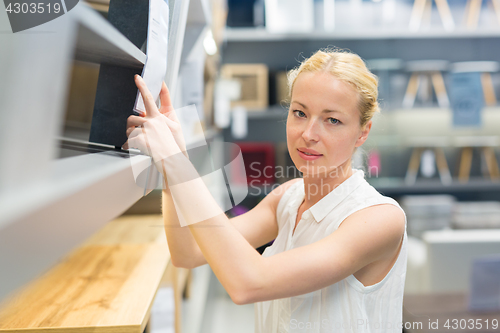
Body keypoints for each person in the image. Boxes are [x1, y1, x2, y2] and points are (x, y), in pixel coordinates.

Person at [124, 48, 407, 333]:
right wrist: (175, 163)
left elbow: (248, 283)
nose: (308, 133)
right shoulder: (287, 198)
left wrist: (174, 163)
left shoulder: (380, 219)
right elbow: (188, 252)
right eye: (299, 113)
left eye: (332, 120)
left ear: (363, 132)